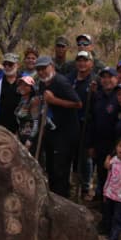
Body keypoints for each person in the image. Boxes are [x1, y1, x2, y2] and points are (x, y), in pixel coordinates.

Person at [35, 55, 83, 198]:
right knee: (50, 167)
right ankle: (52, 196)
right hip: (51, 131)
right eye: (39, 69)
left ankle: (61, 199)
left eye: (44, 68)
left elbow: (78, 104)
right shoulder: (43, 83)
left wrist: (54, 100)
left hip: (66, 134)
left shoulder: (61, 82)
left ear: (52, 67)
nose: (42, 72)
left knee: (60, 169)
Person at [86, 67, 119, 202]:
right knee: (101, 175)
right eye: (103, 77)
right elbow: (92, 121)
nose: (106, 80)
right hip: (99, 144)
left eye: (110, 77)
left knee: (114, 179)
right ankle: (102, 207)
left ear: (116, 79)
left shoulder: (120, 97)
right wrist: (91, 145)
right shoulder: (97, 96)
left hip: (115, 145)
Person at [68, 50, 97, 200]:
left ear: (91, 63)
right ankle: (73, 184)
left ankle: (85, 187)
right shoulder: (71, 78)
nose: (82, 63)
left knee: (85, 157)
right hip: (71, 122)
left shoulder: (94, 81)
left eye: (85, 60)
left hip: (86, 123)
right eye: (79, 60)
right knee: (72, 154)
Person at [0, 52, 22, 134]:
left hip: (20, 124)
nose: (7, 67)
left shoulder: (24, 81)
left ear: (17, 65)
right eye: (5, 64)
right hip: (0, 123)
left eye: (10, 64)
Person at [14, 75, 43, 150]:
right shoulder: (22, 99)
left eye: (26, 85)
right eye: (21, 84)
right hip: (21, 136)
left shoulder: (34, 101)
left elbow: (36, 123)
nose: (22, 87)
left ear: (31, 88)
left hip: (29, 139)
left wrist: (30, 140)